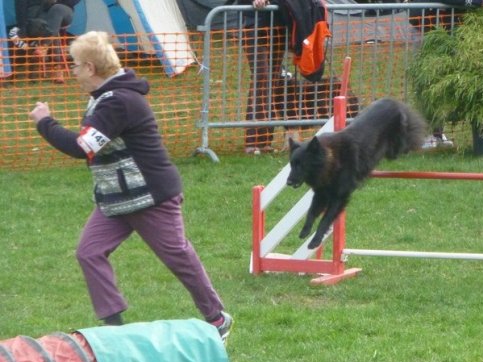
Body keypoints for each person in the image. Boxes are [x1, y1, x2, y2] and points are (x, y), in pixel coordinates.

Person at [28, 31, 233, 344]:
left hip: (151, 195)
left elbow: (83, 147)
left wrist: (46, 122)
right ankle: (114, 327)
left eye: (75, 65)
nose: (72, 71)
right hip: (118, 198)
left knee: (177, 256)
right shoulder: (104, 97)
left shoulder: (119, 102)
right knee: (89, 252)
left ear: (90, 68)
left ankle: (217, 318)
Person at [408, 0, 483, 148]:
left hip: (448, 31)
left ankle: (437, 134)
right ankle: (425, 134)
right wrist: (475, 2)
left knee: (442, 85)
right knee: (427, 84)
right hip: (428, 29)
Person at [236, 0, 288, 154]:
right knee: (262, 77)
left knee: (273, 80)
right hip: (254, 24)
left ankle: (265, 140)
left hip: (278, 24)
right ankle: (252, 141)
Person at [10, 0, 81, 83]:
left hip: (63, 10)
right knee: (50, 27)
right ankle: (57, 67)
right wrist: (23, 27)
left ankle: (42, 48)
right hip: (39, 19)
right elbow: (20, 9)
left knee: (56, 10)